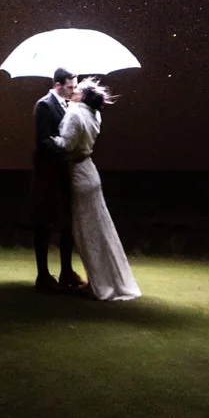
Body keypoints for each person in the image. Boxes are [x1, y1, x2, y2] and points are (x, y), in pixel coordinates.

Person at [54, 78, 140, 301]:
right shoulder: (94, 114)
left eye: (77, 89)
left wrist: (52, 139)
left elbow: (68, 145)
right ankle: (105, 280)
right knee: (100, 230)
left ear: (82, 96)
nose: (73, 91)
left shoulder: (74, 114)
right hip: (90, 172)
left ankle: (98, 284)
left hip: (78, 175)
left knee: (86, 233)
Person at [31, 68, 83, 292]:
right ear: (58, 85)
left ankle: (66, 271)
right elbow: (43, 140)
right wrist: (65, 152)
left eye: (75, 87)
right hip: (47, 174)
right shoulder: (44, 105)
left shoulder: (68, 105)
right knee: (44, 223)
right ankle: (43, 275)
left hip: (63, 173)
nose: (74, 91)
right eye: (70, 87)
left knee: (66, 223)